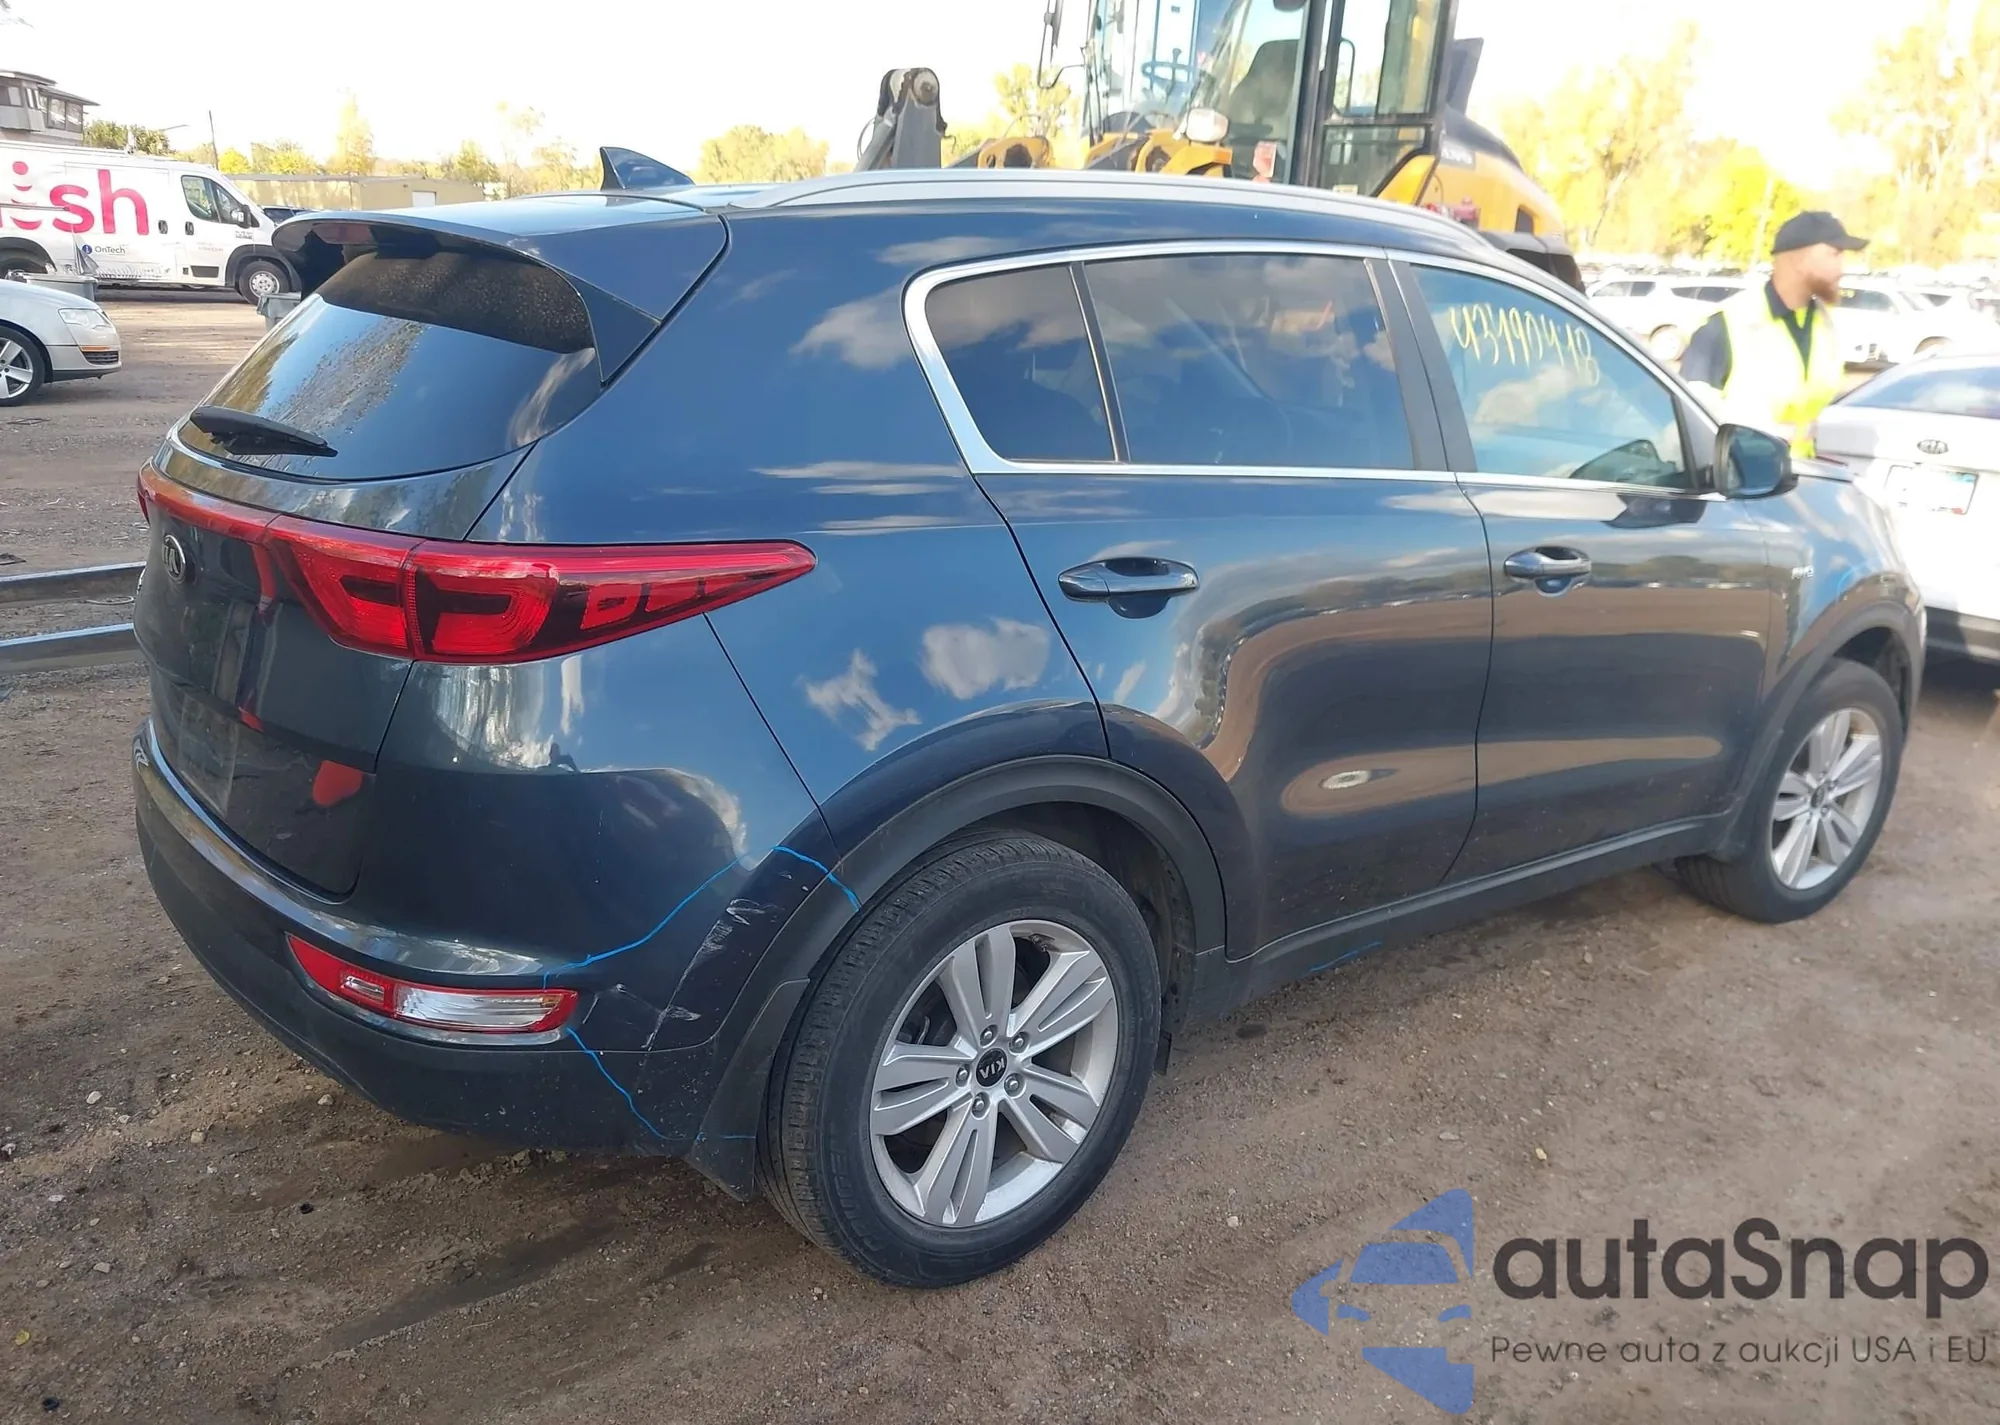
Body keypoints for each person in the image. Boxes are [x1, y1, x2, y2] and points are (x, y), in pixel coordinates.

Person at [1680, 211, 1868, 456]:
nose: (1842, 268)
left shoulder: (1825, 323)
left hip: (1803, 474)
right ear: (1798, 260)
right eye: (1835, 254)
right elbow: (1690, 418)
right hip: (1743, 475)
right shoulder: (1727, 323)